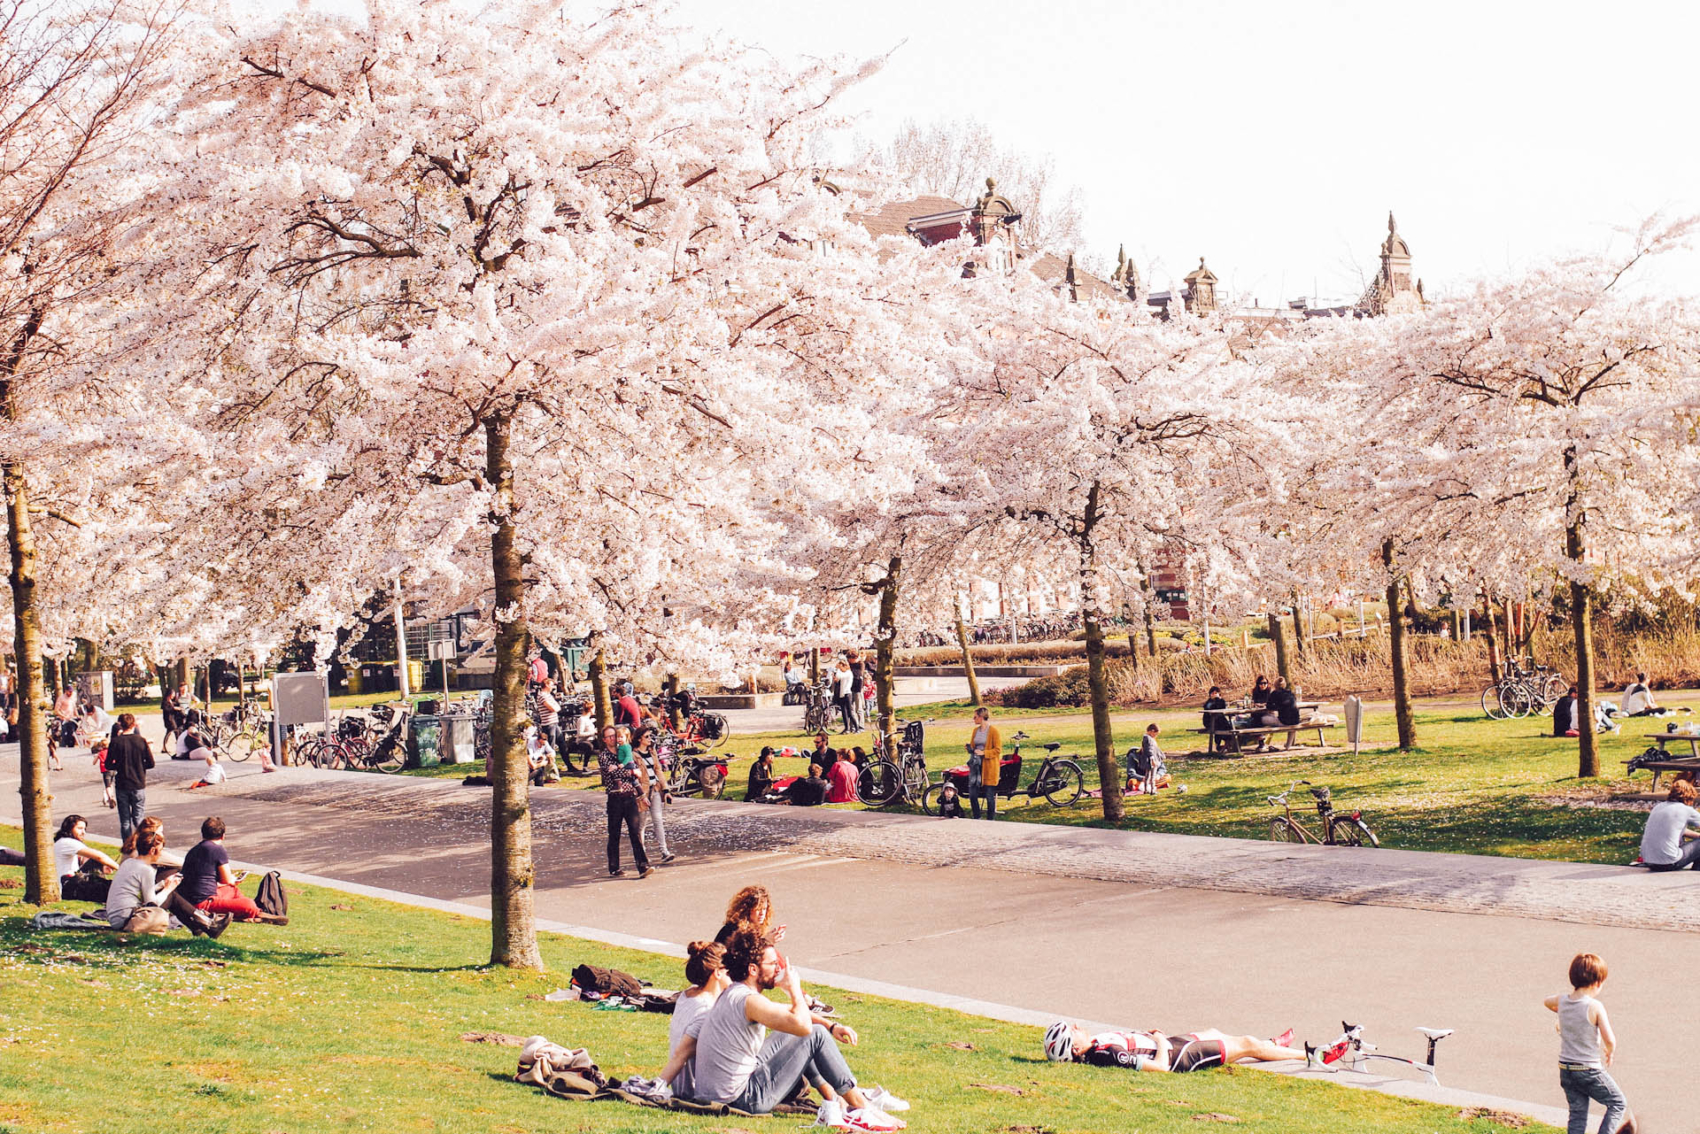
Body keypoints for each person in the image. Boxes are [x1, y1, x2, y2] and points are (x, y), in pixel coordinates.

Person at [684, 925, 902, 1125]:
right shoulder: (749, 1000)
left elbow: (787, 1013)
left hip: (721, 1090)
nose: (778, 969)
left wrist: (831, 1026)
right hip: (741, 1099)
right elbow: (803, 1027)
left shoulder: (736, 992)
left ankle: (836, 1103)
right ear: (753, 969)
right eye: (772, 964)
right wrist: (794, 988)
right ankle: (860, 1107)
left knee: (806, 1034)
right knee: (811, 1035)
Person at [1544, 953, 1632, 1134]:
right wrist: (1610, 1051)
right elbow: (1610, 1039)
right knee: (1617, 1102)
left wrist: (1562, 1012)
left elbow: (1547, 1001)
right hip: (1588, 1069)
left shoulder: (1562, 1000)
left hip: (1566, 1069)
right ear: (1597, 983)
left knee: (1578, 1115)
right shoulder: (1595, 1006)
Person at [1043, 1019, 1305, 1073]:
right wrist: (1160, 1038)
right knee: (1245, 1045)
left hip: (1175, 1045)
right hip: (1180, 1055)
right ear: (1075, 1051)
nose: (1076, 1027)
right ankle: (1306, 1055)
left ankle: (1270, 1046)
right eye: (1072, 1032)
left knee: (1217, 1032)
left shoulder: (1096, 1048)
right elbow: (1160, 1067)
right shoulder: (1106, 1054)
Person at [103, 829, 230, 938]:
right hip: (128, 920)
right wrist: (168, 889)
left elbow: (140, 893)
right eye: (160, 851)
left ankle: (201, 926)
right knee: (172, 896)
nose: (160, 855)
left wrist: (163, 884)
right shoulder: (145, 869)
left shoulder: (130, 862)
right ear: (153, 850)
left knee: (169, 893)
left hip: (117, 918)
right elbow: (151, 903)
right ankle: (206, 924)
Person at [653, 940, 732, 1101]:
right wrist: (657, 1085)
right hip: (695, 1091)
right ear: (717, 973)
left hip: (684, 1085)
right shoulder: (706, 1011)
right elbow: (680, 1055)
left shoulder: (687, 994)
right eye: (731, 971)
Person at [178, 816, 287, 924]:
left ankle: (248, 913)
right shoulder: (217, 849)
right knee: (248, 904)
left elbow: (202, 879)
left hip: (190, 899)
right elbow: (227, 880)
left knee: (232, 890)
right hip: (202, 903)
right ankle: (256, 913)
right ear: (223, 836)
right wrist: (233, 879)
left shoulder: (194, 850)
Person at [598, 724, 651, 878]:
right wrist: (631, 771)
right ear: (604, 740)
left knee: (635, 832)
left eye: (614, 735)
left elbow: (633, 768)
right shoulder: (604, 756)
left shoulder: (624, 750)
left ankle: (643, 866)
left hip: (629, 796)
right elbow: (611, 773)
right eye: (608, 737)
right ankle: (614, 867)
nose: (612, 739)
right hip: (615, 798)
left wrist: (634, 773)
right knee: (614, 833)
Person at [108, 713, 153, 842]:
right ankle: (143, 844)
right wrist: (139, 765)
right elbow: (151, 763)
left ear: (120, 725)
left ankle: (127, 847)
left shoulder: (115, 742)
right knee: (138, 818)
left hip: (122, 783)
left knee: (125, 821)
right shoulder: (141, 740)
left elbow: (108, 764)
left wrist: (119, 764)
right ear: (134, 724)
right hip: (138, 782)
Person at [1638, 779, 1700, 871]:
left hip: (1649, 861)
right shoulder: (1686, 810)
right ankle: (1696, 872)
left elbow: (1676, 830)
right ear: (1689, 797)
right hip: (1669, 863)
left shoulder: (1659, 807)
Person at [53, 814, 118, 896]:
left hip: (72, 881)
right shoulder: (67, 842)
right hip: (67, 885)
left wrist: (103, 866)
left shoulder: (62, 841)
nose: (83, 832)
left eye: (84, 829)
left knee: (109, 884)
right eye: (79, 828)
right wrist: (118, 868)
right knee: (111, 888)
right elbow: (99, 856)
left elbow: (91, 858)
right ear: (69, 829)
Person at [635, 727, 675, 864]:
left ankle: (664, 851)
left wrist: (666, 789)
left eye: (650, 736)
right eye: (647, 737)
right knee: (641, 824)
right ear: (639, 739)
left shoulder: (652, 752)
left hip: (655, 789)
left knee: (658, 820)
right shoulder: (634, 755)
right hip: (642, 793)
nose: (649, 739)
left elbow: (659, 771)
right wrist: (640, 794)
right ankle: (642, 854)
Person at [965, 706, 1002, 821]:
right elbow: (973, 745)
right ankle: (977, 817)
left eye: (975, 717)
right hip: (976, 765)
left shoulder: (994, 731)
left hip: (989, 767)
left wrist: (983, 753)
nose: (973, 719)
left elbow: (997, 750)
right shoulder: (975, 731)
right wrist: (970, 748)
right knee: (972, 794)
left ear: (981, 717)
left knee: (989, 796)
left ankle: (990, 819)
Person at [1127, 724, 1169, 795]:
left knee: (1167, 777)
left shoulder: (1155, 755)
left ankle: (1150, 787)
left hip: (1153, 779)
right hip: (1139, 780)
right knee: (1132, 781)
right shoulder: (1133, 756)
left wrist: (1158, 775)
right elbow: (1131, 773)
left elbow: (1162, 768)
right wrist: (1141, 778)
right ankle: (1147, 787)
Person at [1202, 687, 1230, 753]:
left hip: (1219, 721)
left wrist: (1219, 699)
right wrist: (1216, 699)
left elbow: (1222, 708)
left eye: (1216, 693)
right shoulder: (1208, 703)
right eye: (1212, 693)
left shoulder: (1221, 701)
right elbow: (1212, 709)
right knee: (1221, 725)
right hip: (1209, 722)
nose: (1214, 694)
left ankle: (1226, 744)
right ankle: (1221, 744)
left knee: (1224, 724)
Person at [91, 738, 116, 809]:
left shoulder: (100, 753)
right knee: (111, 784)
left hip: (105, 770)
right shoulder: (111, 752)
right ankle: (108, 797)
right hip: (113, 769)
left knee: (107, 785)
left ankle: (110, 798)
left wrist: (97, 757)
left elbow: (94, 762)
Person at [832, 658, 855, 734]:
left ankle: (857, 727)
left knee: (850, 712)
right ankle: (846, 728)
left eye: (841, 666)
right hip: (842, 694)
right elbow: (837, 679)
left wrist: (838, 669)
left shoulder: (848, 673)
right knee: (844, 712)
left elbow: (840, 676)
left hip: (847, 693)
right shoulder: (843, 673)